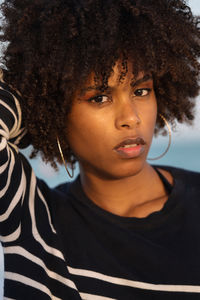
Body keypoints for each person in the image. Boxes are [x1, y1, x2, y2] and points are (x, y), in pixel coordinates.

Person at [0, 0, 200, 299]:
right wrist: (36, 97)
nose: (130, 117)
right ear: (55, 108)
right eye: (99, 98)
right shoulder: (35, 226)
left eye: (141, 91)